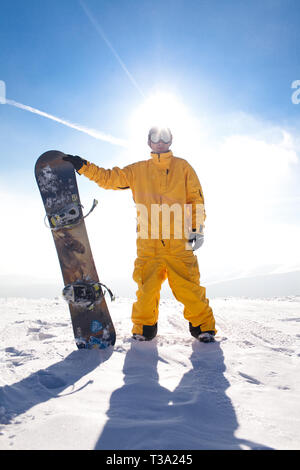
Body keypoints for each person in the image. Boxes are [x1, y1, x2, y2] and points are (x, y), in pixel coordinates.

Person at [64, 127, 216, 343]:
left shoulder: (183, 167)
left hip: (179, 241)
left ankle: (203, 327)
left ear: (171, 140)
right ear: (149, 142)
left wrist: (197, 229)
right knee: (146, 290)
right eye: (156, 137)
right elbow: (109, 178)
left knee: (189, 288)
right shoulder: (138, 171)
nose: (160, 141)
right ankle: (144, 328)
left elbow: (196, 198)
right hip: (148, 243)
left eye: (165, 137)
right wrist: (83, 167)